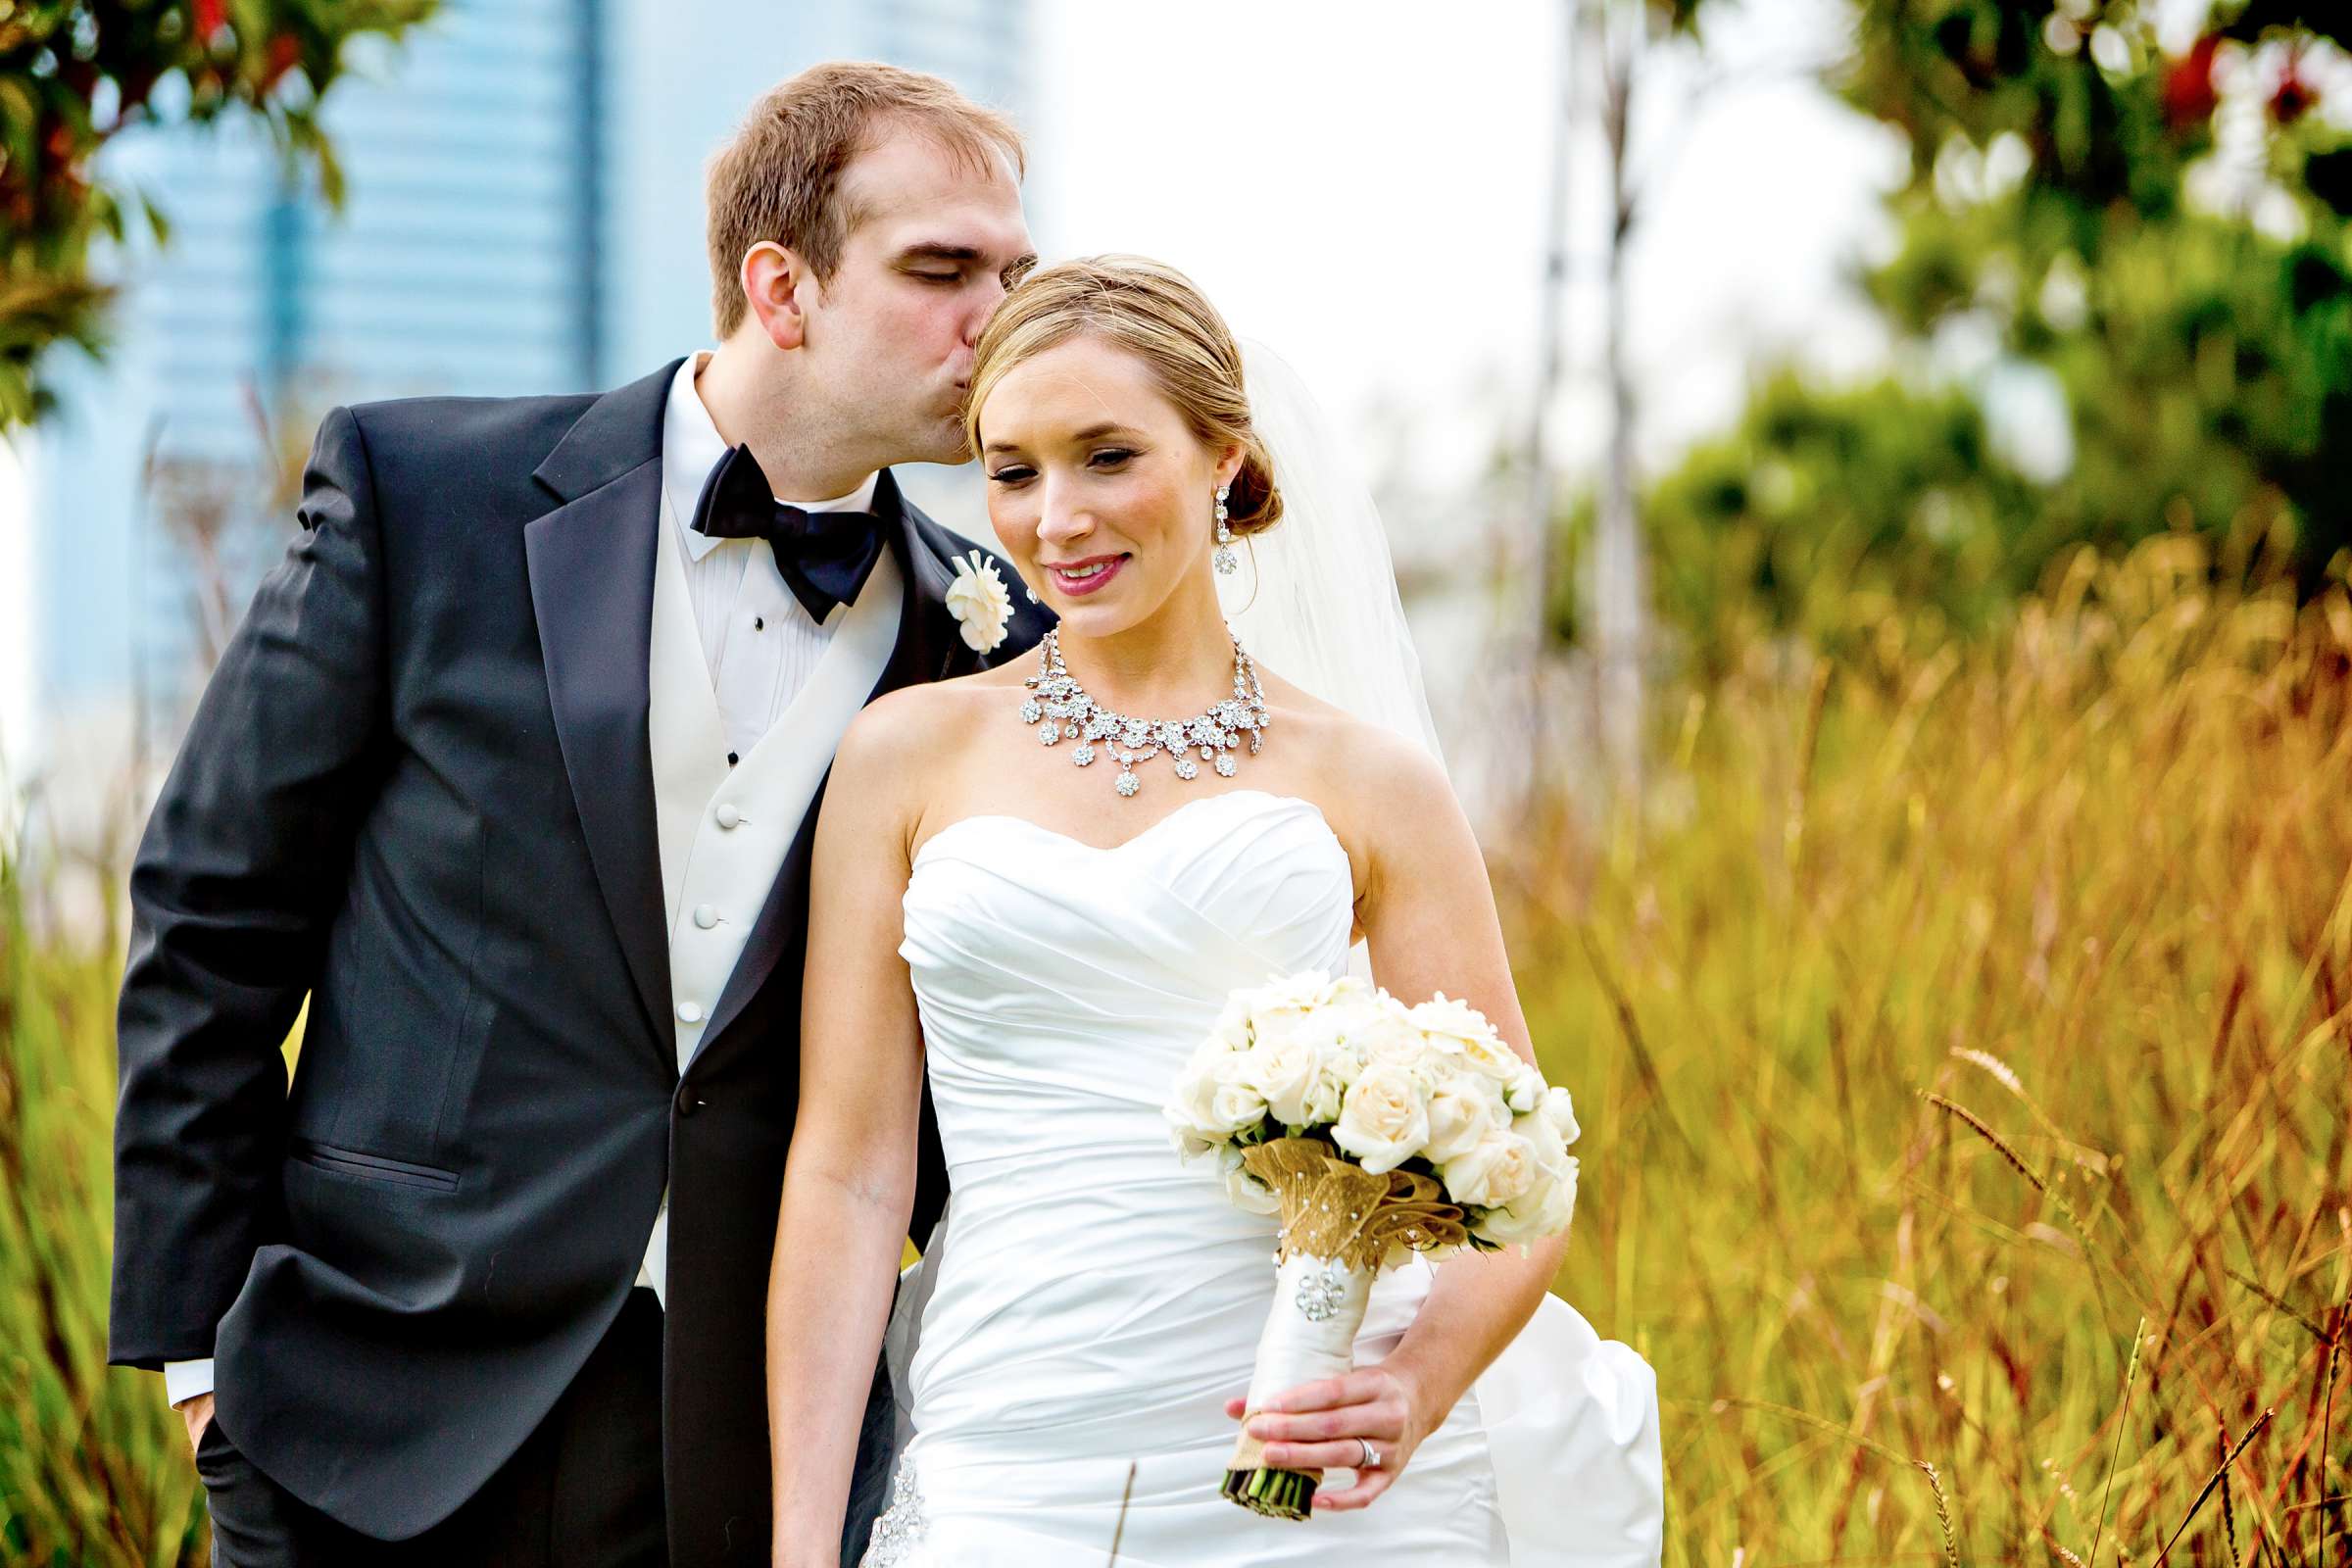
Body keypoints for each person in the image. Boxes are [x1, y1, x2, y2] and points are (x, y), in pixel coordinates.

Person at [107, 61, 1047, 1567]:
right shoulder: (423, 497)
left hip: (744, 1453)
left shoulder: (997, 640)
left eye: (1017, 272)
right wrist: (202, 1353)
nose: (996, 321)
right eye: (942, 270)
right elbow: (210, 917)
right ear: (781, 286)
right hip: (365, 1411)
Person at [765, 256, 1665, 1566]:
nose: (1057, 516)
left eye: (1108, 456)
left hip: (1308, 1464)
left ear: (1222, 460)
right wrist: (800, 1547)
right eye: (1013, 470)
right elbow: (849, 1175)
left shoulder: (1371, 784)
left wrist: (1413, 1388)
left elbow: (1522, 1158)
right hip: (1015, 1446)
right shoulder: (904, 758)